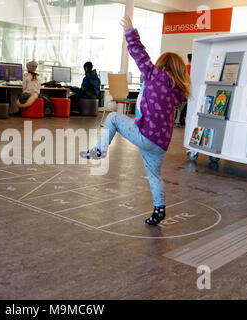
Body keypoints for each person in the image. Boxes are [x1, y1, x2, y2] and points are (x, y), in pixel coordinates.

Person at [81, 15, 191, 226]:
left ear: (161, 66)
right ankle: (159, 209)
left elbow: (139, 53)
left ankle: (99, 150)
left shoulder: (154, 76)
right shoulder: (177, 92)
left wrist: (130, 31)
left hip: (146, 135)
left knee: (112, 117)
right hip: (161, 144)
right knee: (154, 175)